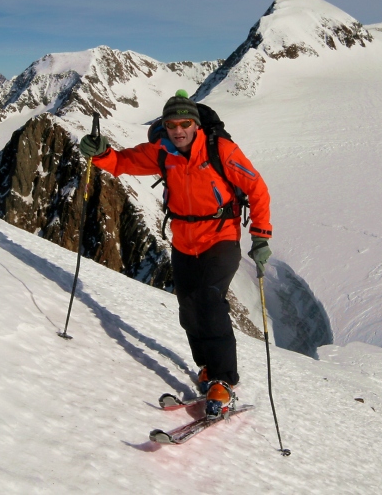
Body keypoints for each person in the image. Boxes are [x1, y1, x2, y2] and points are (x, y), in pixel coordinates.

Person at [79, 90, 272, 417]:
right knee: (188, 308)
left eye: (185, 123)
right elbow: (123, 163)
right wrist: (100, 154)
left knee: (210, 301)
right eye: (171, 124)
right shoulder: (162, 152)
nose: (178, 130)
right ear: (164, 127)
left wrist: (261, 236)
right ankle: (208, 370)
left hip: (219, 238)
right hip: (184, 242)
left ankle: (224, 381)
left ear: (195, 125)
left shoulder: (220, 150)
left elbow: (257, 188)